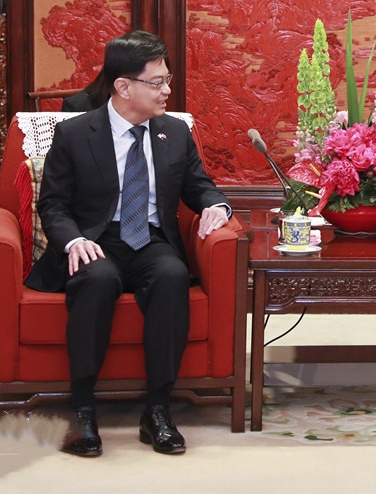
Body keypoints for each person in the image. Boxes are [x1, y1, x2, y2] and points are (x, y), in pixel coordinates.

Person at [26, 30, 233, 458]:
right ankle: (83, 411)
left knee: (172, 274)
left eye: (167, 79)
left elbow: (199, 185)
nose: (167, 90)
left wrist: (217, 205)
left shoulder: (174, 132)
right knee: (97, 278)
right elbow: (53, 204)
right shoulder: (76, 132)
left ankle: (157, 411)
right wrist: (73, 240)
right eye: (157, 82)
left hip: (150, 239)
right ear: (123, 86)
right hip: (94, 239)